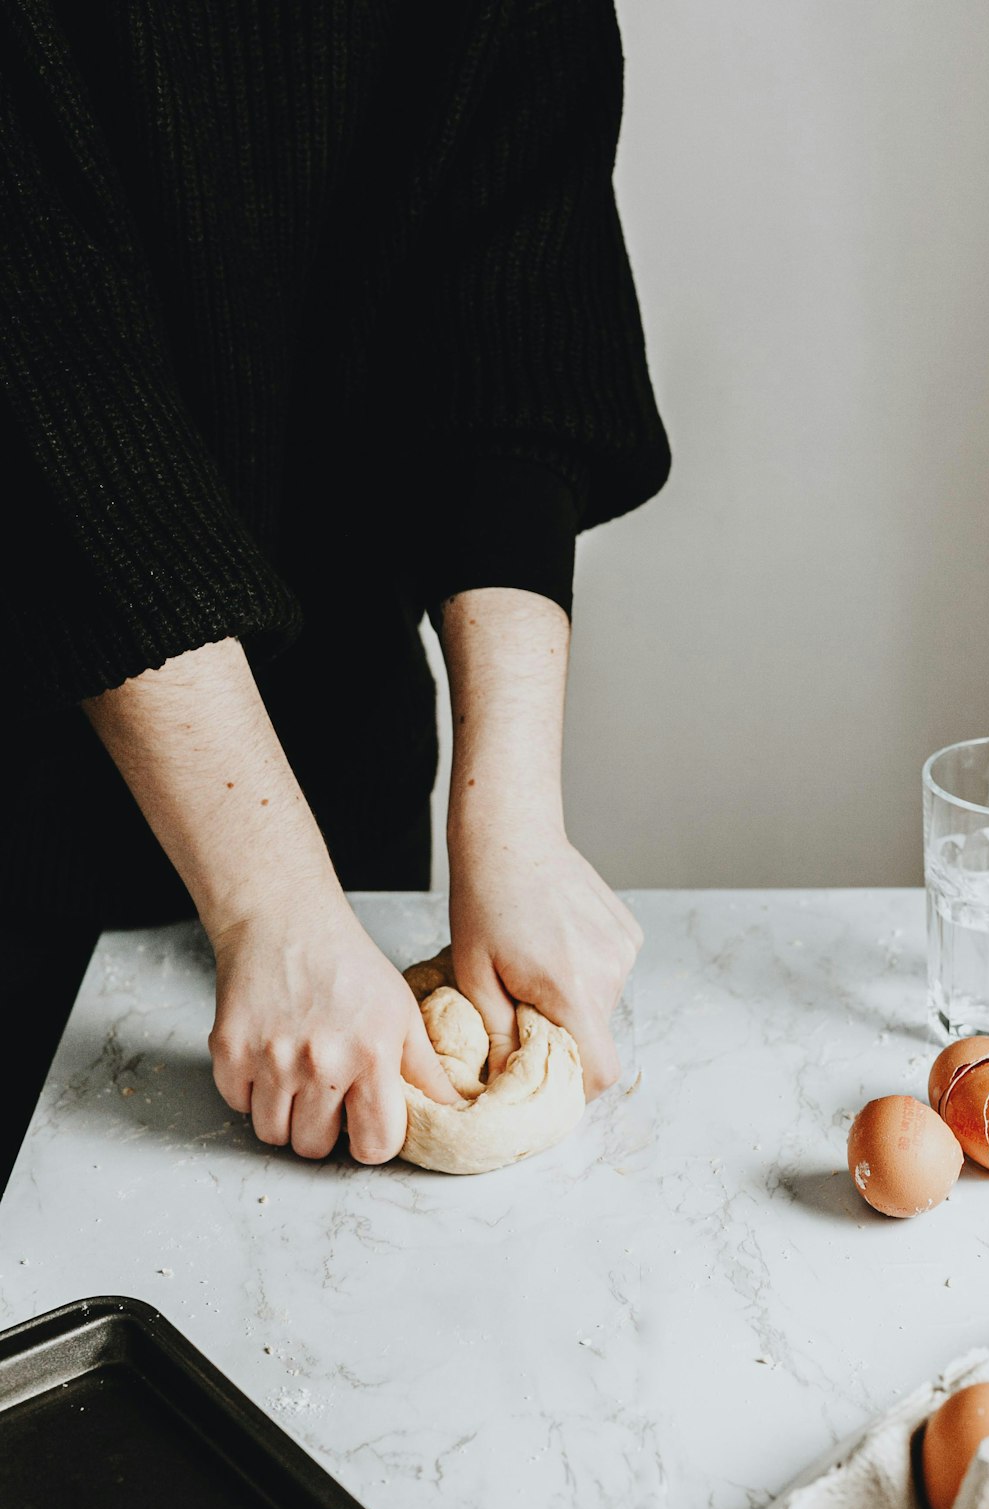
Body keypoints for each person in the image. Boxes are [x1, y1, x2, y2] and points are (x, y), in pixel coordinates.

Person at [0, 0, 671, 1188]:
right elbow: (44, 371)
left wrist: (509, 816)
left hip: (336, 772)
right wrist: (266, 899)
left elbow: (516, 298)